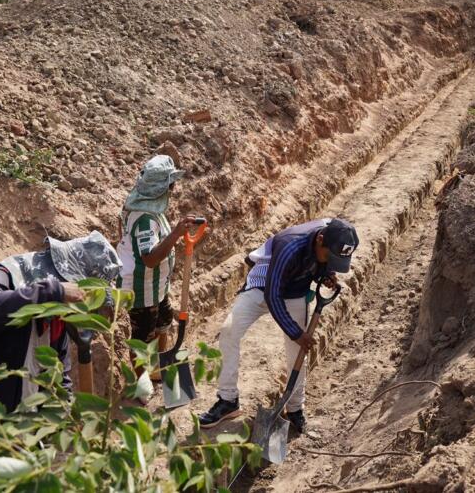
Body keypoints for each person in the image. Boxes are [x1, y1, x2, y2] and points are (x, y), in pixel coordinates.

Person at [0, 232, 121, 488]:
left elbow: (58, 381)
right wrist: (51, 292)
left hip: (12, 449)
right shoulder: (5, 278)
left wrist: (70, 432)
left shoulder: (55, 322)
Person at [199, 218, 360, 434]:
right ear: (320, 239)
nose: (331, 262)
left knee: (297, 353)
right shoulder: (290, 245)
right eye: (329, 257)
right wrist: (296, 333)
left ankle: (295, 409)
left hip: (296, 289)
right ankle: (227, 400)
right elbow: (272, 295)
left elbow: (323, 259)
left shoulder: (332, 234)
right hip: (265, 283)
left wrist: (327, 273)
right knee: (229, 331)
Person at [117, 155, 199, 360]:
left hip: (155, 287)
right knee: (142, 338)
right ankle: (140, 387)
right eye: (171, 185)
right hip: (140, 291)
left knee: (164, 321)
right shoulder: (145, 219)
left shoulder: (152, 210)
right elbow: (150, 260)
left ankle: (159, 365)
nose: (173, 189)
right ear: (163, 189)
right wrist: (176, 234)